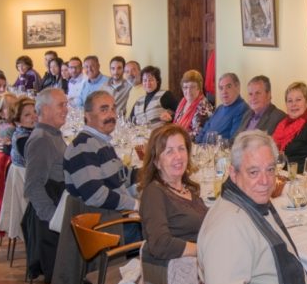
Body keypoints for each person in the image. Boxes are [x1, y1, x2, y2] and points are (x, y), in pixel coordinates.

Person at [198, 130, 307, 284]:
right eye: (253, 171)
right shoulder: (230, 225)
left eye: (270, 170)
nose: (265, 180)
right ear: (233, 174)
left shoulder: (250, 206)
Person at [63, 91, 139, 243]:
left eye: (113, 109)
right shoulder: (83, 147)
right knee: (167, 229)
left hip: (113, 216)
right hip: (106, 226)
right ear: (88, 115)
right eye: (104, 109)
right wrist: (136, 204)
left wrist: (155, 172)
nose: (112, 115)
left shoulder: (101, 142)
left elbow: (123, 175)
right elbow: (95, 196)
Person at [139, 124, 207, 261]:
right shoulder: (154, 193)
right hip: (184, 272)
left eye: (181, 149)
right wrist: (205, 250)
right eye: (169, 151)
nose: (178, 156)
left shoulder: (189, 189)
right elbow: (160, 244)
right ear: (157, 161)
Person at [23, 88, 69, 282]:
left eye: (66, 104)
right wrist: (54, 220)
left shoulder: (52, 134)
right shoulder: (42, 139)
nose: (66, 109)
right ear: (44, 109)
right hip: (52, 215)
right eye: (61, 105)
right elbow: (33, 186)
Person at [270, 81, 307, 173]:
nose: (293, 104)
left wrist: (291, 170)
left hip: (301, 178)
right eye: (290, 101)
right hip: (281, 175)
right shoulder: (281, 125)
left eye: (298, 100)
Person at [196, 72, 248, 144]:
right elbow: (204, 130)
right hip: (204, 151)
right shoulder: (219, 108)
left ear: (238, 87)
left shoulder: (242, 109)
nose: (224, 91)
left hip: (220, 153)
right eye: (221, 88)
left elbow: (233, 141)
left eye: (228, 86)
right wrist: (196, 144)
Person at [173, 69, 212, 136]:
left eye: (192, 87)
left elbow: (199, 134)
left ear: (199, 88)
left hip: (193, 144)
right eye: (185, 87)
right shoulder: (183, 102)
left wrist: (179, 137)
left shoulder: (203, 106)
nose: (188, 91)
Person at [10, 96, 36, 168]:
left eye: (35, 111)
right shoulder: (22, 139)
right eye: (27, 115)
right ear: (18, 122)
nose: (34, 116)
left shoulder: (31, 129)